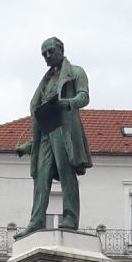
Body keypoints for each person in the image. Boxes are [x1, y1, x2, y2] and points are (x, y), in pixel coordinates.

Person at [14, 37, 92, 238]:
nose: (47, 56)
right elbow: (40, 115)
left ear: (61, 50)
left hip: (64, 129)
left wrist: (66, 103)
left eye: (50, 51)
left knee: (67, 174)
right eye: (44, 54)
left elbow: (84, 97)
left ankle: (70, 218)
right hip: (46, 132)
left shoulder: (76, 72)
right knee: (41, 177)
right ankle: (37, 220)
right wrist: (28, 146)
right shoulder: (46, 81)